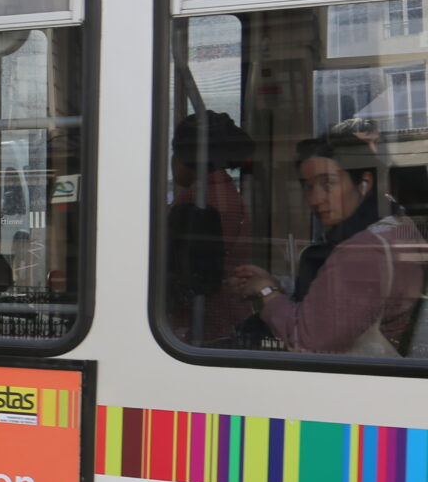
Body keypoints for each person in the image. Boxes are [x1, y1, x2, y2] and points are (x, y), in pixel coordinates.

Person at [228, 139, 424, 356]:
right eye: (308, 186)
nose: (315, 199)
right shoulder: (395, 225)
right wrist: (279, 284)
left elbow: (307, 341)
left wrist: (266, 292)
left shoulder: (361, 250)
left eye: (328, 183)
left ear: (365, 182)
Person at [167, 111, 255, 343]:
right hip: (231, 312)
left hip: (203, 322)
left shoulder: (194, 201)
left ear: (185, 158)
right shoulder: (229, 194)